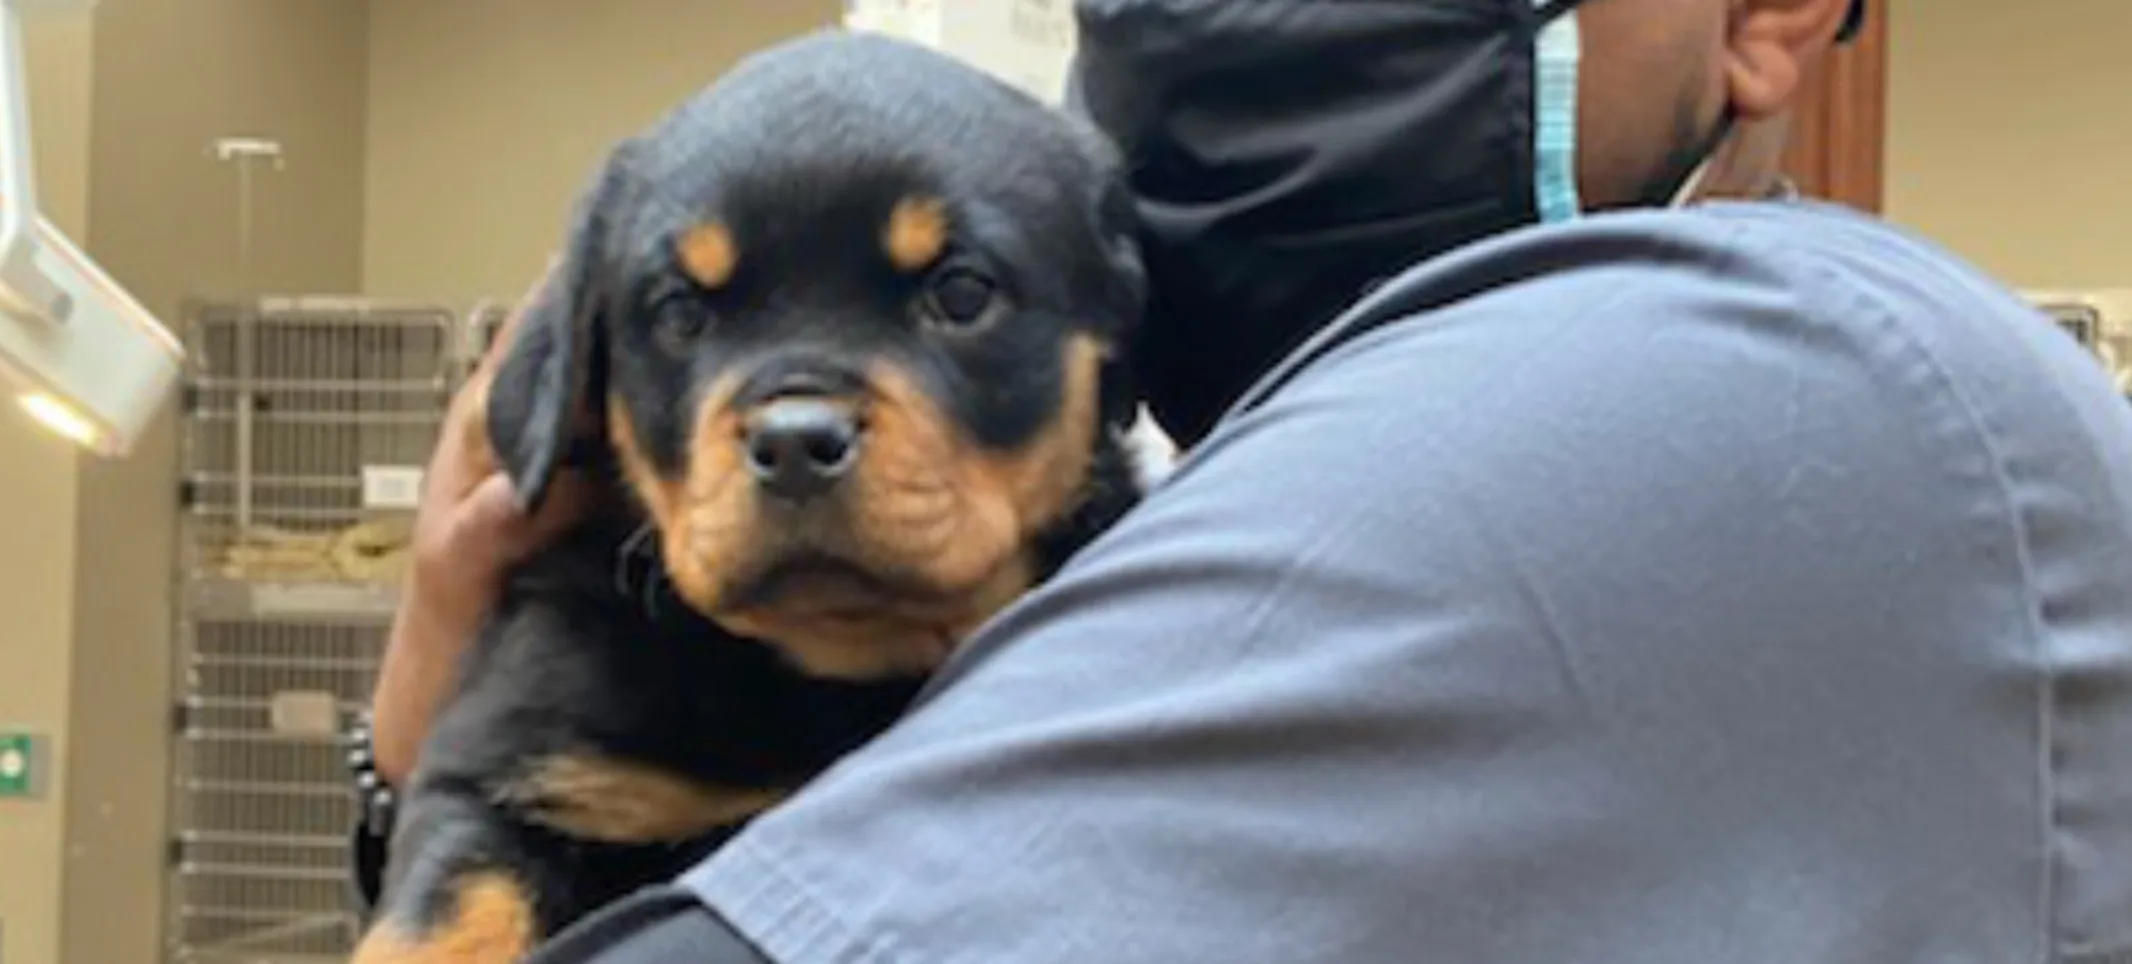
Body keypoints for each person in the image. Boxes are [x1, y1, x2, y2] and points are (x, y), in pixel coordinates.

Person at [357, 0, 2132, 960]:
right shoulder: (1244, 485)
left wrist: (425, 750)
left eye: (959, 295)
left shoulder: (1753, 384)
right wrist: (438, 783)